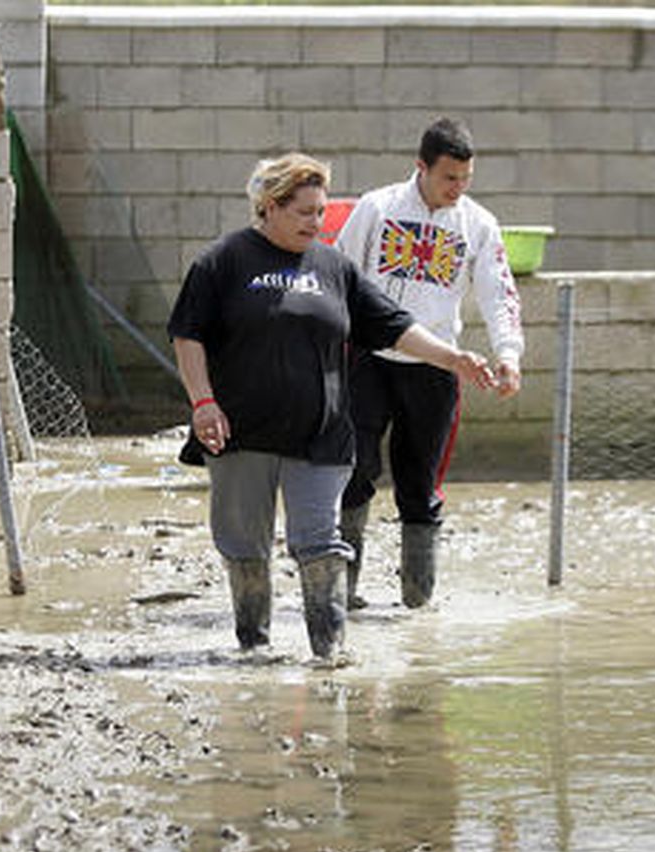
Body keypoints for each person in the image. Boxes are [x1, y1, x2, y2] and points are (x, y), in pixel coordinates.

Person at [169, 152, 494, 661]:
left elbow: (392, 325)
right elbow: (187, 334)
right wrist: (203, 402)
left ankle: (330, 651)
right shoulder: (223, 261)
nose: (316, 223)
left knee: (321, 544)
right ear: (269, 208)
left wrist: (452, 357)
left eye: (321, 212)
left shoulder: (333, 268)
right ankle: (254, 647)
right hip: (239, 433)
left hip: (320, 435)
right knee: (245, 547)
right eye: (304, 213)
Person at [335, 117, 525, 609]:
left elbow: (498, 292)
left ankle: (417, 601)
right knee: (355, 472)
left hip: (437, 366)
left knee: (420, 484)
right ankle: (342, 594)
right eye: (448, 179)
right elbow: (339, 276)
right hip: (368, 360)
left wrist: (508, 353)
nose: (457, 189)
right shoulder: (376, 209)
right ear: (420, 167)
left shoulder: (477, 224)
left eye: (465, 179)